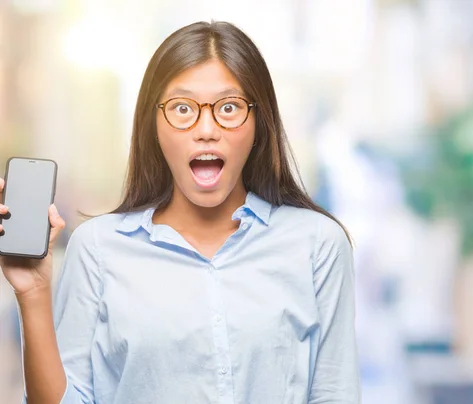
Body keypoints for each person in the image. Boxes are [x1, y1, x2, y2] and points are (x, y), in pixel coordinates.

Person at [0, 21, 360, 404]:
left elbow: (335, 395)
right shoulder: (97, 249)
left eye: (229, 107)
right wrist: (34, 293)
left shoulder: (317, 245)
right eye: (182, 108)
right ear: (153, 125)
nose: (206, 129)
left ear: (259, 124)